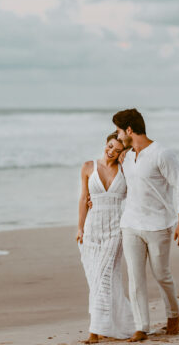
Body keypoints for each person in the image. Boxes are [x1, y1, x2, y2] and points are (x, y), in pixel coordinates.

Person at [112, 108, 179, 342]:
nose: (117, 137)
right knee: (135, 278)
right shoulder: (126, 156)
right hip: (130, 224)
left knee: (161, 275)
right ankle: (141, 326)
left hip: (159, 225)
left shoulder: (162, 153)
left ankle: (173, 314)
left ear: (129, 129)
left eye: (119, 131)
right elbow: (124, 187)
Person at [77, 132, 135, 343]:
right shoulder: (87, 167)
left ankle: (94, 331)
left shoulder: (125, 171)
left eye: (117, 150)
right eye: (110, 147)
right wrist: (80, 228)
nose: (111, 152)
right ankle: (117, 324)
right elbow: (84, 198)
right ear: (106, 143)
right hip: (92, 230)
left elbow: (136, 196)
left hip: (115, 230)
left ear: (123, 153)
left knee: (103, 276)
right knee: (98, 280)